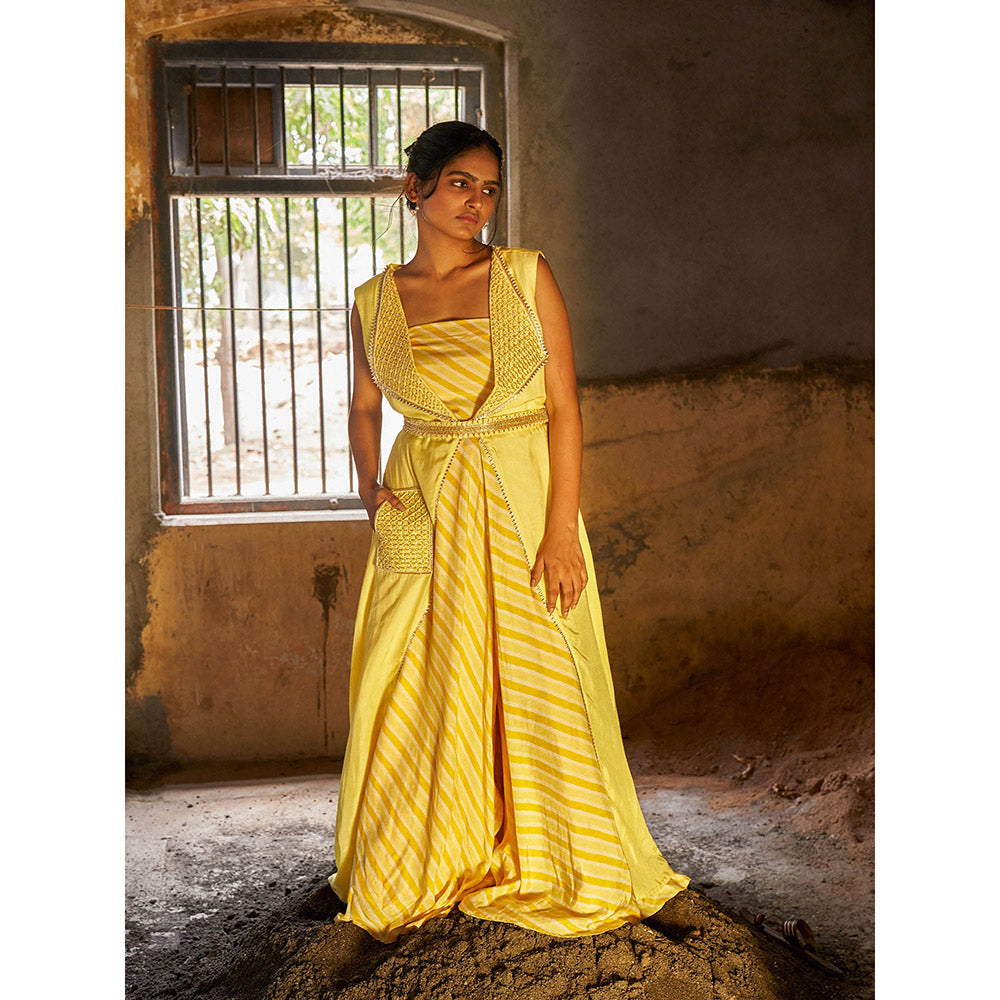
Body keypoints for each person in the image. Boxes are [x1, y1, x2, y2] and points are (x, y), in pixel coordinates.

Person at [329, 121, 689, 943]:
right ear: (414, 188)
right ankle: (416, 859)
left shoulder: (525, 276)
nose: (477, 202)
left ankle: (573, 860)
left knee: (546, 671)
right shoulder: (375, 300)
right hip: (424, 507)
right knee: (417, 679)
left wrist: (560, 534)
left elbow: (565, 407)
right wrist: (368, 486)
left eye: (489, 189)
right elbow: (364, 404)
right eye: (460, 183)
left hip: (525, 504)